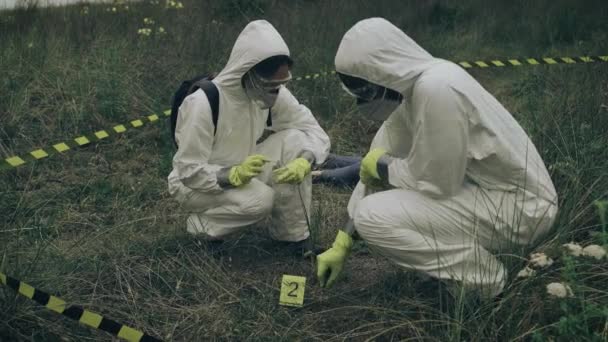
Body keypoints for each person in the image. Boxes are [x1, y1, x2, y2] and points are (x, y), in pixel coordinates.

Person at [316, 18, 558, 297]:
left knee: (373, 216)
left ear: (379, 72)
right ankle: (457, 270)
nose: (363, 102)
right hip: (496, 196)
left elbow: (437, 184)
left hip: (524, 210)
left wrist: (386, 170)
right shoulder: (414, 91)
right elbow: (375, 160)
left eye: (363, 90)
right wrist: (343, 240)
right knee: (369, 207)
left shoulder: (437, 89)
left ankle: (486, 283)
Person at [167, 20, 330, 255]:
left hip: (244, 166)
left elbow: (313, 131)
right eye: (271, 85)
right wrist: (231, 175)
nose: (277, 92)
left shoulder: (268, 92)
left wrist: (306, 159)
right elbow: (188, 170)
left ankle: (292, 239)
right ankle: (202, 228)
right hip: (194, 184)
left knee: (295, 140)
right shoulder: (203, 103)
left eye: (281, 85)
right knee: (261, 200)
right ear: (248, 73)